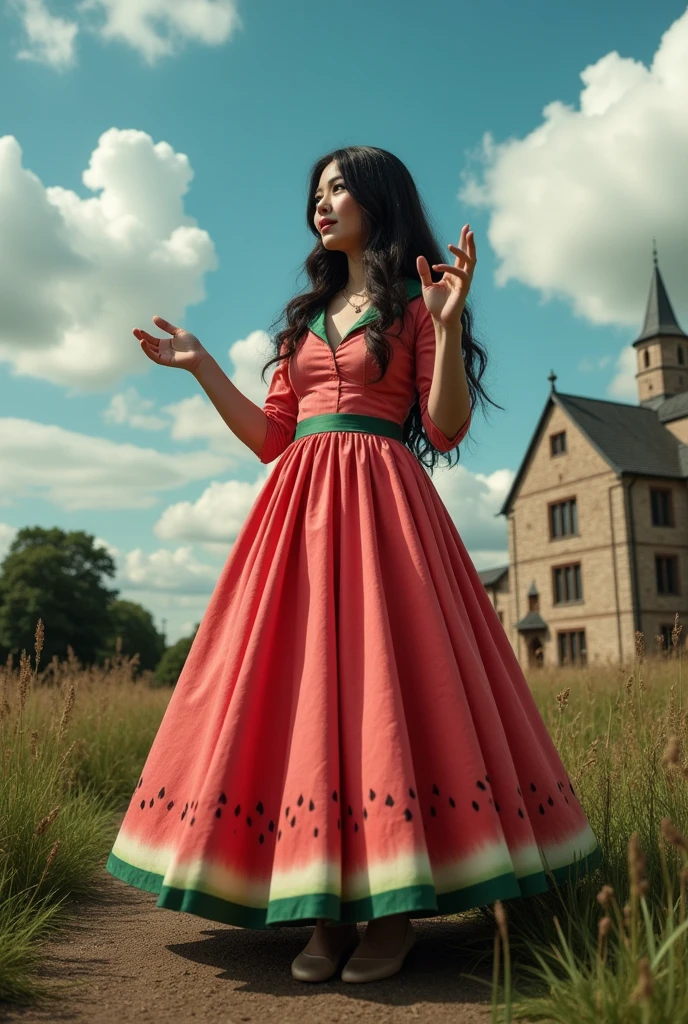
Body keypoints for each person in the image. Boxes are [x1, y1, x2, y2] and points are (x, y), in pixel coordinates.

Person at [106, 146, 602, 985]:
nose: (322, 202)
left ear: (379, 200)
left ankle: (393, 909)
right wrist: (202, 368)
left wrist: (446, 326)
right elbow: (273, 438)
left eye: (338, 188)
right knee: (303, 694)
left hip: (386, 512)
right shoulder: (303, 321)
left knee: (384, 691)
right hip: (295, 520)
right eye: (316, 191)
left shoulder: (416, 305)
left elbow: (442, 430)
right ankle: (321, 911)